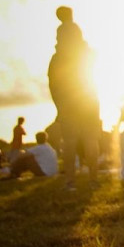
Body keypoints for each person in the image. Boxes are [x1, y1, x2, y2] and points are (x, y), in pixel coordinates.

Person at [47, 10, 102, 191]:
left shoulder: (57, 58)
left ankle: (70, 182)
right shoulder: (86, 53)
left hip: (69, 104)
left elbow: (53, 86)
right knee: (90, 141)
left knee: (70, 143)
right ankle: (93, 180)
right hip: (87, 102)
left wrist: (60, 107)